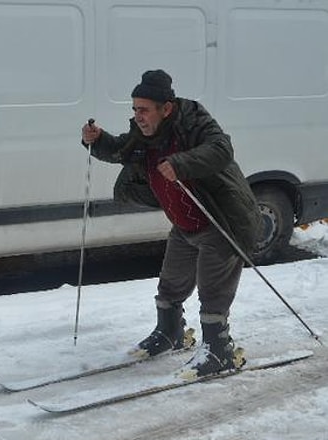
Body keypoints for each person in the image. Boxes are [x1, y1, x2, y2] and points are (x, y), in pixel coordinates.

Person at [81, 69, 262, 378]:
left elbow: (221, 150)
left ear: (166, 108)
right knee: (170, 285)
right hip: (184, 225)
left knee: (213, 291)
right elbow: (122, 151)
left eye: (144, 109)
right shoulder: (146, 134)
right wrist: (97, 141)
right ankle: (170, 333)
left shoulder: (194, 123)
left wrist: (180, 163)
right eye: (135, 109)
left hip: (220, 222)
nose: (138, 116)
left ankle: (220, 352)